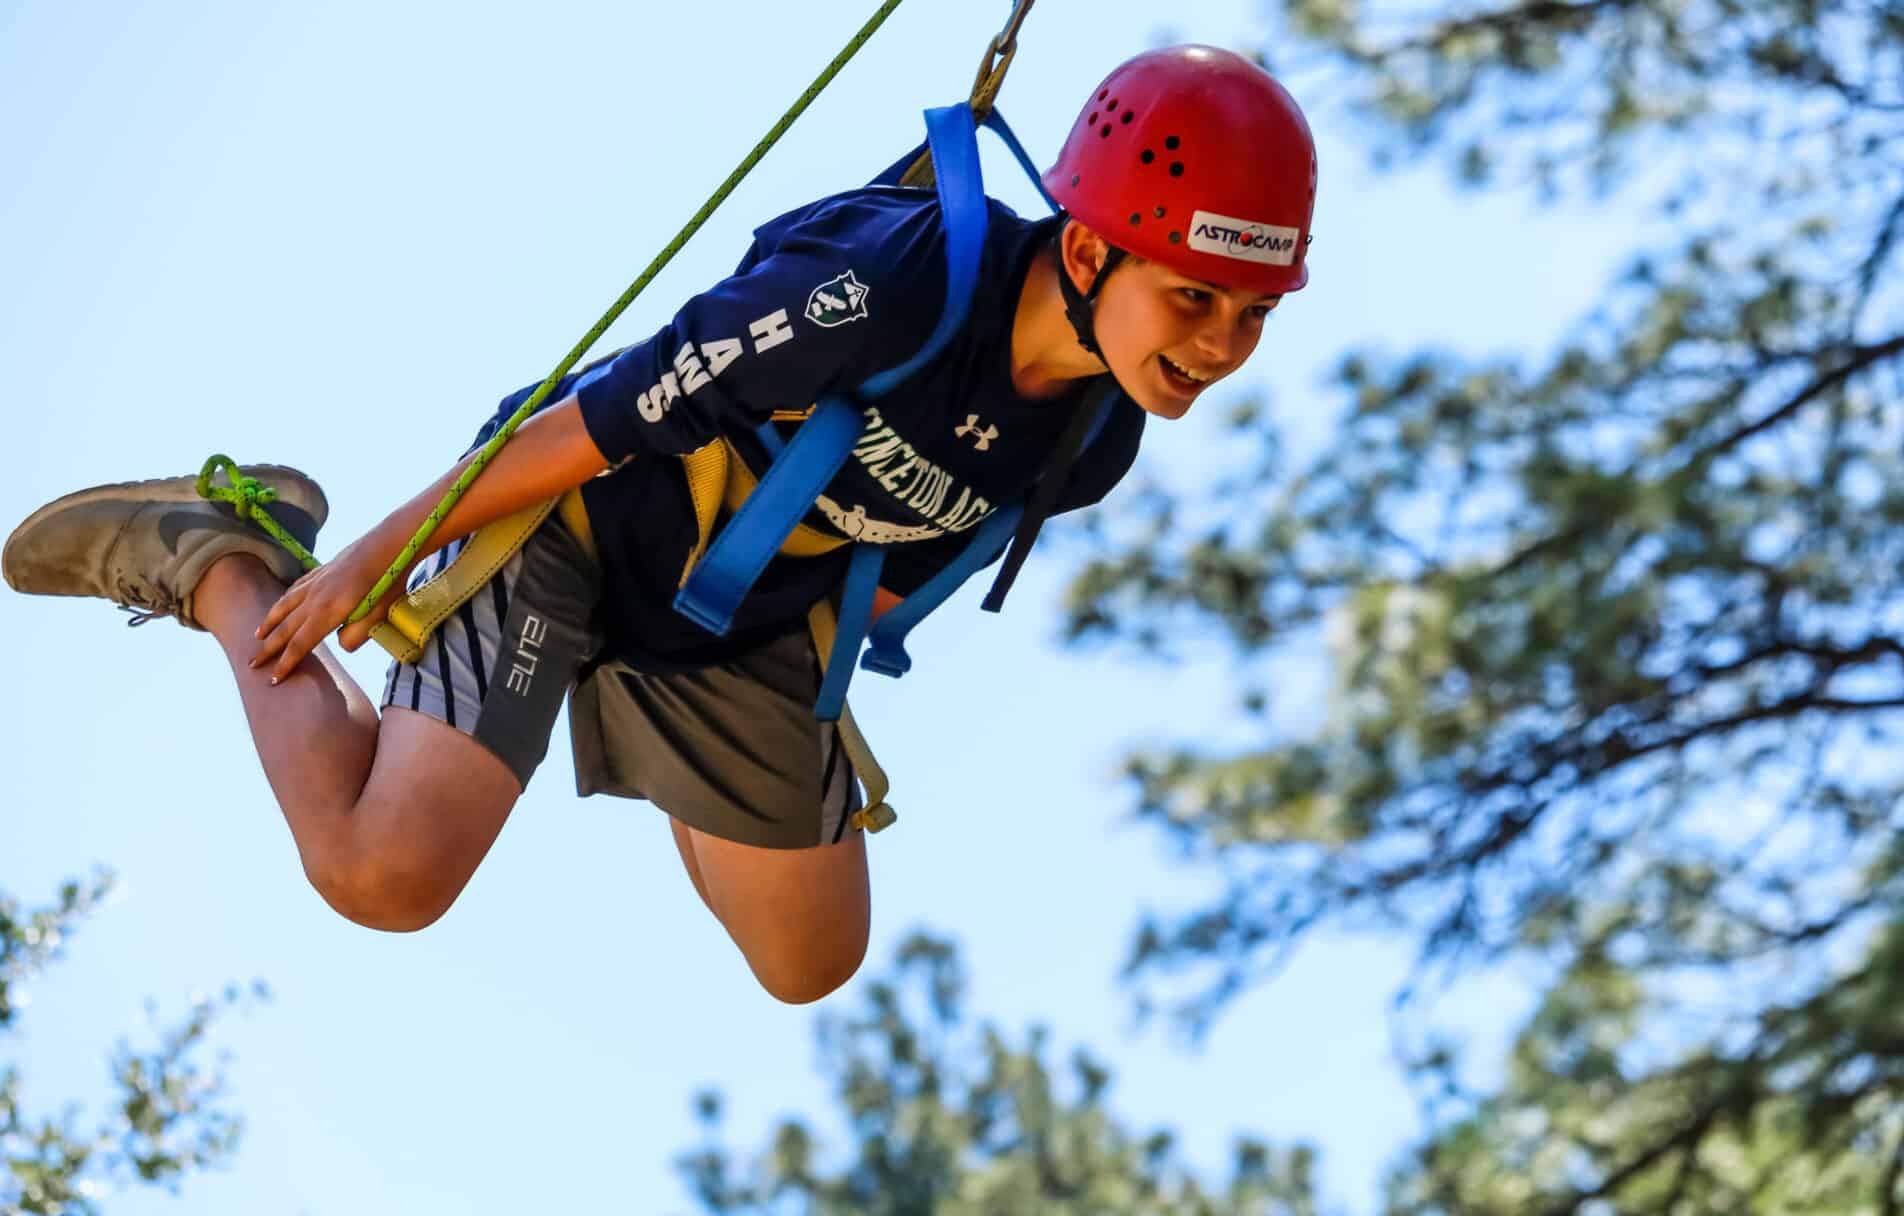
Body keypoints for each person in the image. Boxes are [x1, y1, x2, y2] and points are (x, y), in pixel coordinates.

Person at [2, 45, 1316, 1003]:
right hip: (581, 519)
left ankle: (626, 709)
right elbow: (609, 413)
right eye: (1198, 297)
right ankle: (225, 557)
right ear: (1090, 253)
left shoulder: (1097, 438)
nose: (1220, 343)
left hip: (732, 626)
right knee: (379, 871)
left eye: (1254, 313)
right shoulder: (888, 285)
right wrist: (367, 562)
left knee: (814, 962)